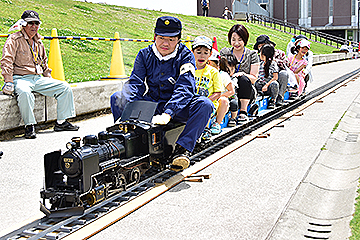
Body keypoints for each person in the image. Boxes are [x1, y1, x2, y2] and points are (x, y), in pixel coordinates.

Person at [110, 16, 213, 171]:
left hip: (178, 106)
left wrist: (169, 112)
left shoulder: (185, 56)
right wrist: (128, 112)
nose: (166, 43)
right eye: (161, 38)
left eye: (171, 39)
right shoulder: (144, 54)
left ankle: (182, 149)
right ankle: (129, 142)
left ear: (178, 39)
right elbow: (135, 83)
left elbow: (185, 87)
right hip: (153, 104)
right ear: (155, 37)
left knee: (205, 104)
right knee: (117, 97)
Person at [1, 10, 79, 139]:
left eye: (36, 23)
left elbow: (43, 62)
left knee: (64, 87)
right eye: (30, 23)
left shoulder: (38, 41)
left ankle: (61, 122)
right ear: (23, 24)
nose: (34, 26)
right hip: (19, 78)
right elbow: (6, 61)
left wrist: (48, 77)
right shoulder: (14, 39)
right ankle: (29, 126)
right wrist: (8, 81)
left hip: (37, 78)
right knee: (25, 93)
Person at [220, 24, 260, 122]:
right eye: (233, 39)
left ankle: (243, 111)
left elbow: (254, 79)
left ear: (245, 40)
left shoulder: (252, 55)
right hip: (228, 88)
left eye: (240, 39)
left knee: (243, 79)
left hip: (247, 89)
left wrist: (242, 74)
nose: (236, 43)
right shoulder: (225, 53)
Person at [191, 36, 222, 135]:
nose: (202, 56)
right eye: (198, 52)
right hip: (191, 102)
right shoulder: (188, 69)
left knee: (204, 108)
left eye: (206, 53)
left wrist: (207, 101)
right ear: (193, 52)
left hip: (208, 102)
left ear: (210, 54)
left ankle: (205, 129)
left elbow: (218, 92)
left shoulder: (213, 71)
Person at [253, 35, 288, 106]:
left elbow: (286, 64)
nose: (260, 49)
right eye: (259, 46)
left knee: (283, 74)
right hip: (261, 81)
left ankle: (278, 97)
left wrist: (275, 61)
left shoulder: (278, 54)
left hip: (273, 80)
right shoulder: (257, 57)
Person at [207, 50, 236, 132]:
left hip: (219, 99)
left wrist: (218, 96)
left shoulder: (223, 75)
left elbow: (231, 91)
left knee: (223, 101)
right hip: (208, 98)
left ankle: (217, 123)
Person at [255, 44, 279, 109]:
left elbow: (275, 77)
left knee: (275, 84)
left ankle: (273, 100)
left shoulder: (273, 64)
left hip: (268, 87)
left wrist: (266, 85)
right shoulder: (260, 64)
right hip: (259, 86)